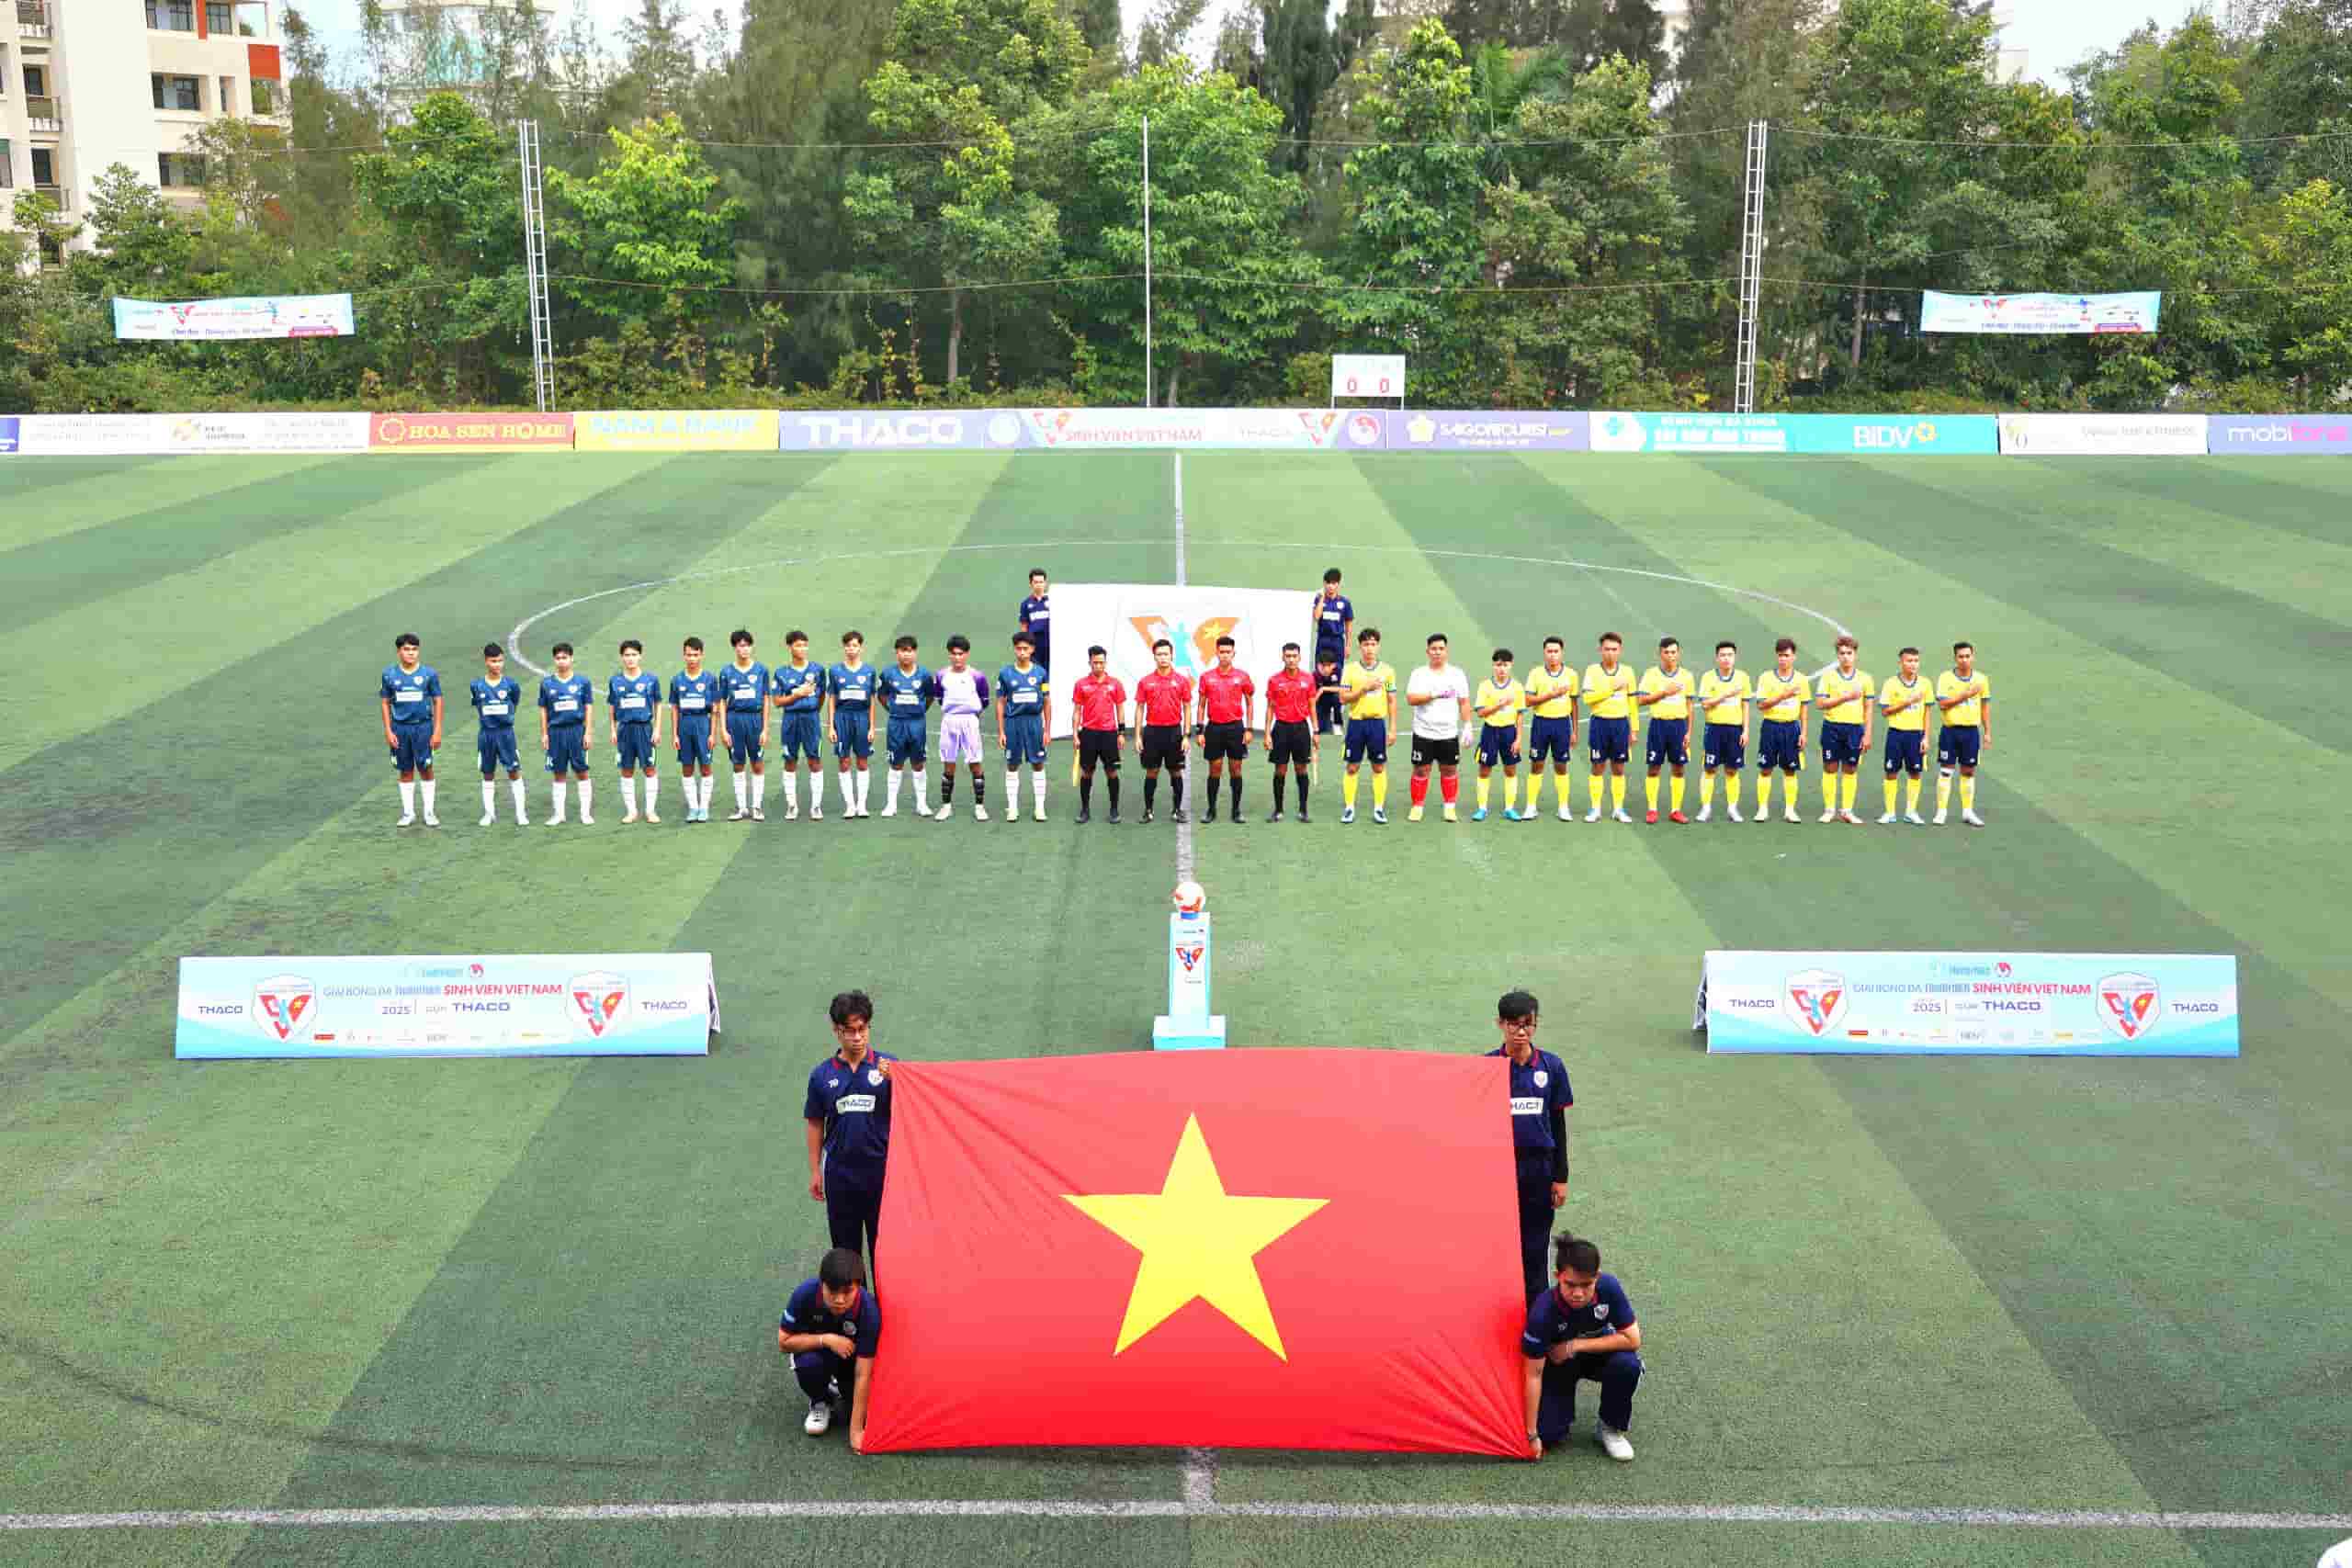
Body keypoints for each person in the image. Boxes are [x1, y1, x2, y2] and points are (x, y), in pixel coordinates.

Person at [1521, 1235, 1643, 1463]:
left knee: (1627, 1364)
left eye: (1586, 1285)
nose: (1578, 1293)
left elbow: (1633, 1339)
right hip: (1559, 1366)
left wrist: (1573, 1345)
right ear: (1558, 1278)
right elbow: (1532, 1374)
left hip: (1593, 1355)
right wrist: (1531, 1435)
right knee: (1549, 1434)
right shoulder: (1542, 1313)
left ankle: (1610, 1428)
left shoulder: (1609, 1287)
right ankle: (1554, 1420)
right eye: (1570, 1285)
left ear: (1596, 1277)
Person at [804, 989, 896, 1275]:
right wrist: (815, 1170)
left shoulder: (889, 1067)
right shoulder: (822, 1075)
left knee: (884, 1251)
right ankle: (854, 1313)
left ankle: (884, 1311)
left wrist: (898, 1080)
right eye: (849, 1031)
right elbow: (815, 1122)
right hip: (840, 1176)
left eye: (862, 1029)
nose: (857, 1037)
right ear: (836, 1030)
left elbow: (912, 1108)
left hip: (881, 1173)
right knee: (846, 1254)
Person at [1487, 989, 1570, 1306]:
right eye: (1513, 1025)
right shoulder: (1486, 1069)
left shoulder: (1551, 1066)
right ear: (1500, 1024)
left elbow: (1559, 1126)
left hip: (1538, 1170)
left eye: (1527, 1024)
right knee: (1498, 1246)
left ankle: (1537, 1316)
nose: (1521, 1032)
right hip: (1497, 1173)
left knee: (1535, 1246)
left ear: (1536, 1024)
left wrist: (1560, 1177)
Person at [778, 1247, 880, 1451]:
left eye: (847, 1292)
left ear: (858, 1287)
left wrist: (856, 1432)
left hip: (851, 1361)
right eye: (832, 1291)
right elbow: (784, 1342)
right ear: (821, 1284)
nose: (839, 1300)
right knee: (808, 1363)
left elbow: (863, 1373)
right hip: (818, 1354)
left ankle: (839, 1387)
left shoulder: (869, 1310)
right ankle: (820, 1401)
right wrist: (826, 1339)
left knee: (862, 1406)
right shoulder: (805, 1294)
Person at [1405, 633, 1473, 823]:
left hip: (1448, 733)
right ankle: (1417, 806)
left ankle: (1449, 807)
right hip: (1423, 732)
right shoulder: (1419, 674)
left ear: (1446, 651)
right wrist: (1433, 694)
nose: (1437, 652)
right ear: (1428, 651)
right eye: (1434, 649)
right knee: (1420, 770)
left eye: (1441, 649)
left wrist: (1467, 725)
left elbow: (1464, 702)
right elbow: (1411, 699)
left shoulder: (1457, 674)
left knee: (1449, 770)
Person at [379, 632, 443, 828]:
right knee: (405, 770)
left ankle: (429, 812)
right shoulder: (389, 675)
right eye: (406, 649)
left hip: (423, 728)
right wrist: (388, 731)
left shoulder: (428, 674)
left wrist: (437, 729)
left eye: (414, 649)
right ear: (399, 651)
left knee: (426, 768)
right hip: (400, 729)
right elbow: (385, 702)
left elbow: (438, 700)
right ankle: (408, 813)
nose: (411, 653)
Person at [1338, 628, 1396, 826]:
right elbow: (1343, 698)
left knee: (1378, 766)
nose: (1370, 648)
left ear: (1378, 646)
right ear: (1359, 647)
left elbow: (1391, 700)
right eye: (1366, 644)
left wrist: (1393, 728)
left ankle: (1379, 808)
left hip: (1377, 724)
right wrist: (1363, 689)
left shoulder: (1387, 671)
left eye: (1373, 644)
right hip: (1356, 723)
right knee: (1352, 766)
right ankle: (1349, 807)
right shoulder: (1350, 670)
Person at [1194, 635, 1255, 825]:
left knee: (1236, 769)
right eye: (1222, 652)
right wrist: (1200, 730)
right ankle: (1211, 810)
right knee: (1215, 769)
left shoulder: (1242, 676)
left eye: (1228, 652)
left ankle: (1236, 811)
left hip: (1236, 728)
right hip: (1214, 728)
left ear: (1233, 653)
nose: (1225, 655)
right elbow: (1201, 705)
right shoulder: (1207, 677)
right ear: (1216, 653)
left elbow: (1250, 702)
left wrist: (1249, 728)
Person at [1814, 635, 1873, 826]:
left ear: (1855, 655)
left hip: (1855, 729)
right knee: (1830, 767)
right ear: (1837, 656)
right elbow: (1820, 703)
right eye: (1842, 653)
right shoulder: (1828, 677)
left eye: (1849, 653)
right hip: (1832, 728)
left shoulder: (1865, 679)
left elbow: (1869, 708)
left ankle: (1847, 810)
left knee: (1851, 769)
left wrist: (1868, 733)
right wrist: (1845, 698)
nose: (1846, 657)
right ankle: (1829, 810)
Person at [770, 630, 830, 822]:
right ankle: (792, 806)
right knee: (790, 761)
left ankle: (816, 807)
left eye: (805, 644)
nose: (802, 649)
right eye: (798, 645)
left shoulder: (818, 670)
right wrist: (797, 695)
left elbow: (821, 697)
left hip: (811, 719)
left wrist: (813, 709)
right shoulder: (781, 673)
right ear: (789, 647)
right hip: (790, 720)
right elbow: (777, 701)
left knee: (815, 760)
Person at [1635, 637, 1695, 826]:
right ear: (1660, 653)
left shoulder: (1687, 676)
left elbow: (1690, 705)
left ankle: (1675, 810)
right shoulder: (1651, 674)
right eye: (1667, 652)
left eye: (1674, 652)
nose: (1670, 656)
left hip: (1679, 727)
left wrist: (1689, 732)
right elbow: (1641, 701)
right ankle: (1652, 809)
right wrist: (1664, 693)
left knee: (1679, 767)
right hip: (1658, 726)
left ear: (1679, 653)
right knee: (1654, 767)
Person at [878, 636, 938, 819]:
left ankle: (922, 804)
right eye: (903, 651)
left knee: (918, 763)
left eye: (910, 651)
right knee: (895, 764)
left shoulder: (925, 675)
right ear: (897, 653)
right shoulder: (888, 674)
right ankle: (891, 804)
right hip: (896, 723)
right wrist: (892, 709)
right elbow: (882, 696)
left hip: (917, 723)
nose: (906, 654)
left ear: (915, 652)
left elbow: (929, 698)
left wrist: (918, 711)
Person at [1751, 637, 1809, 825]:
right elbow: (1761, 705)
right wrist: (1783, 696)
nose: (1784, 659)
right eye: (1780, 656)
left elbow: (1804, 708)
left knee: (1790, 770)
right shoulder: (1766, 678)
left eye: (1787, 655)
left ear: (1794, 657)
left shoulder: (1801, 680)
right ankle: (1762, 809)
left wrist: (1804, 733)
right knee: (1765, 769)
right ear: (1776, 656)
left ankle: (1790, 810)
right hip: (1770, 727)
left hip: (1792, 728)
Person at [1933, 640, 1991, 828]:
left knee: (1968, 771)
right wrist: (1966, 695)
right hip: (1950, 731)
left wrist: (1987, 732)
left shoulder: (1981, 679)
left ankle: (1968, 811)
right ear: (1955, 658)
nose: (1964, 660)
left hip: (1971, 732)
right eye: (1961, 657)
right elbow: (1942, 704)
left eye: (1967, 656)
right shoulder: (1945, 678)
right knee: (1946, 771)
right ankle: (1941, 811)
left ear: (1973, 657)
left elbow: (1985, 707)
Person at [1135, 638, 1193, 825]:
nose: (1163, 658)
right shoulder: (1145, 681)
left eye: (1166, 654)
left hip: (1174, 733)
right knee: (1152, 772)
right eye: (1159, 654)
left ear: (1172, 655)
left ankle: (1177, 810)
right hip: (1152, 732)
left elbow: (1187, 708)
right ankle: (1148, 810)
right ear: (1154, 657)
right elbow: (1139, 708)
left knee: (1176, 772)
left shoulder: (1182, 681)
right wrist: (1137, 736)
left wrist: (1186, 735)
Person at [607, 639, 665, 826]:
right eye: (627, 655)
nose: (630, 659)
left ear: (640, 656)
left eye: (633, 655)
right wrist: (613, 729)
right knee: (626, 769)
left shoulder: (650, 680)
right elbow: (612, 706)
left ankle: (650, 811)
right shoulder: (615, 681)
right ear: (621, 657)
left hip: (645, 728)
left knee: (649, 769)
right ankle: (631, 811)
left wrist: (656, 729)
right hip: (625, 729)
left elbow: (658, 704)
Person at [934, 635, 991, 820]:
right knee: (948, 764)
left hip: (970, 721)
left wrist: (972, 715)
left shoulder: (977, 676)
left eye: (961, 654)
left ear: (967, 654)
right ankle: (946, 806)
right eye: (954, 654)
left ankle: (980, 806)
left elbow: (984, 700)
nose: (957, 658)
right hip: (949, 720)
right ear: (949, 655)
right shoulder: (942, 675)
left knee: (975, 763)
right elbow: (940, 698)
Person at [537, 641, 594, 826]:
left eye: (565, 657)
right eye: (558, 658)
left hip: (577, 731)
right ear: (554, 660)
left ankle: (585, 814)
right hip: (556, 732)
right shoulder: (547, 684)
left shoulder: (582, 682)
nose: (561, 661)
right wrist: (544, 733)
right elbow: (543, 710)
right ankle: (559, 814)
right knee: (558, 773)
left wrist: (588, 732)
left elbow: (588, 707)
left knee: (582, 771)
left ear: (571, 658)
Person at [1523, 636, 1579, 823]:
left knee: (1561, 765)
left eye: (1556, 651)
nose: (1553, 655)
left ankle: (1563, 807)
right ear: (1544, 653)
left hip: (1562, 724)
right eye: (1549, 651)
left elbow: (1574, 703)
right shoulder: (1536, 674)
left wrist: (1574, 731)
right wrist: (1551, 695)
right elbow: (1528, 701)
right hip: (1541, 723)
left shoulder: (1571, 674)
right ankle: (1531, 806)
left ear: (1562, 653)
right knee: (1536, 764)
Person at [469, 642, 526, 827]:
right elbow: (478, 706)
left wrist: (505, 718)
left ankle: (521, 814)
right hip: (486, 734)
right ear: (486, 661)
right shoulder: (477, 686)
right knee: (487, 773)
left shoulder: (511, 685)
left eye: (500, 661)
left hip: (506, 734)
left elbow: (514, 703)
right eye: (494, 661)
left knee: (514, 771)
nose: (497, 665)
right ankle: (489, 814)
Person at [997, 632, 1052, 822]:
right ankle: (1012, 808)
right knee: (1012, 764)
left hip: (1034, 723)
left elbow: (1046, 701)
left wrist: (1047, 730)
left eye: (1025, 649)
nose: (1022, 652)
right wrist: (1002, 731)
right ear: (1014, 649)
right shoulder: (1005, 673)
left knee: (1038, 763)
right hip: (1013, 723)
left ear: (1032, 650)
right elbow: (1001, 703)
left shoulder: (1040, 673)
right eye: (1019, 649)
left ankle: (1040, 808)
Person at [1581, 633, 1635, 824]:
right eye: (1607, 649)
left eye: (1614, 649)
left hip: (1621, 724)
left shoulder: (1628, 671)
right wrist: (1611, 689)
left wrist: (1634, 729)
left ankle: (1618, 809)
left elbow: (1632, 701)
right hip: (1599, 724)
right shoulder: (1592, 671)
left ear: (1620, 650)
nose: (1610, 653)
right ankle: (1595, 808)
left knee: (1619, 768)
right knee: (1597, 766)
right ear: (1600, 650)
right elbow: (1587, 699)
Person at [1696, 640, 1751, 824]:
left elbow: (1745, 705)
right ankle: (1706, 808)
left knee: (1732, 770)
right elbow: (1704, 704)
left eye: (1730, 655)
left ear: (1735, 657)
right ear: (1717, 657)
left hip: (1735, 729)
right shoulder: (1708, 677)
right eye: (1723, 655)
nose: (1726, 659)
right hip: (1714, 728)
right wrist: (1726, 695)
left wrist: (1746, 730)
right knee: (1709, 768)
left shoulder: (1743, 677)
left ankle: (1732, 808)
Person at [1070, 645, 1126, 825]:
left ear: (1105, 662)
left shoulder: (1115, 684)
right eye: (1095, 663)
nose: (1098, 666)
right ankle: (1085, 809)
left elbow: (1120, 708)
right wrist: (1075, 734)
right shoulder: (1081, 684)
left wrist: (1121, 733)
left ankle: (1114, 809)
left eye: (1101, 662)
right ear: (1090, 662)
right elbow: (1077, 710)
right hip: (1088, 734)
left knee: (1112, 772)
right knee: (1087, 772)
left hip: (1109, 734)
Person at [1263, 642, 1318, 822]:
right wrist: (1266, 733)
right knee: (1280, 769)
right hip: (1281, 729)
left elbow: (1312, 707)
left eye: (1294, 656)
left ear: (1300, 658)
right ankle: (1278, 810)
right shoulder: (1274, 680)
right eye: (1288, 656)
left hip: (1301, 728)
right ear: (1283, 657)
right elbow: (1270, 708)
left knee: (1301, 768)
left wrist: (1316, 731)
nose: (1291, 659)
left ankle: (1303, 810)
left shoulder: (1308, 679)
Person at [827, 632, 879, 818]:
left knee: (862, 761)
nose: (851, 649)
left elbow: (872, 701)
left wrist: (872, 727)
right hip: (842, 718)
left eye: (855, 646)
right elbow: (831, 699)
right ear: (844, 648)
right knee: (844, 761)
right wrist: (831, 726)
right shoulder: (835, 671)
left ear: (861, 648)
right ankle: (850, 805)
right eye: (848, 646)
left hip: (862, 718)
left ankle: (862, 805)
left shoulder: (869, 672)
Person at [720, 629, 771, 822]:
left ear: (752, 646)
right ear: (735, 647)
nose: (744, 649)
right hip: (734, 720)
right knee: (738, 764)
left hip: (755, 720)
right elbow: (722, 701)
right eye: (740, 645)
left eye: (747, 645)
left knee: (757, 764)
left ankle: (756, 807)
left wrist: (765, 728)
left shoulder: (761, 670)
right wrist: (723, 729)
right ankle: (741, 808)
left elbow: (766, 699)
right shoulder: (726, 672)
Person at [670, 637, 721, 823]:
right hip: (685, 725)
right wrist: (675, 733)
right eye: (688, 654)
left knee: (706, 767)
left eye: (695, 655)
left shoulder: (710, 679)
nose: (692, 658)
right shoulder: (677, 680)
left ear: (702, 655)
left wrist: (712, 733)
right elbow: (674, 707)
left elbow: (716, 708)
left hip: (703, 724)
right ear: (683, 655)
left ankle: (704, 808)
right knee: (687, 767)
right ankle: (693, 808)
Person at [1878, 646, 1931, 826]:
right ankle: (1890, 812)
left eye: (1916, 661)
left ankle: (1911, 812)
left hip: (1916, 735)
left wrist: (1926, 737)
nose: (1913, 664)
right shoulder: (1890, 684)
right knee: (1891, 771)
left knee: (1915, 772)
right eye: (1909, 661)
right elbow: (1885, 711)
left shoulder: (1925, 684)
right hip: (1896, 733)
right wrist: (1907, 702)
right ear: (1901, 662)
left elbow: (1927, 712)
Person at [1473, 649, 1528, 822]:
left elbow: (1520, 715)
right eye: (1498, 665)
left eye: (1505, 665)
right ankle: (1482, 808)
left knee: (1511, 769)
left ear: (1511, 666)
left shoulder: (1517, 687)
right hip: (1490, 731)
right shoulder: (1485, 686)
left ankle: (1509, 808)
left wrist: (1519, 738)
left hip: (1509, 732)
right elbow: (1481, 713)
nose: (1501, 669)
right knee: (1484, 769)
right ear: (1493, 666)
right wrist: (1500, 705)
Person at [1310, 568, 1354, 682]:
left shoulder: (1345, 602)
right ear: (1324, 584)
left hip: (1337, 640)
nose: (1331, 586)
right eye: (1328, 583)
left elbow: (1349, 625)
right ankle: (1319, 693)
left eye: (1334, 583)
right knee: (1320, 669)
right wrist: (1322, 598)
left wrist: (1348, 645)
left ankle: (1336, 695)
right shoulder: (1319, 600)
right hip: (1323, 639)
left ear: (1338, 584)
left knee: (1337, 669)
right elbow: (1316, 617)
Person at [1018, 569, 1052, 677]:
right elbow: (1024, 627)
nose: (1039, 585)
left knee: (1051, 672)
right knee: (1037, 673)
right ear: (1031, 584)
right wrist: (1024, 646)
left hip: (1050, 643)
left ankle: (1049, 693)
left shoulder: (1053, 600)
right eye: (1036, 582)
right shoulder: (1025, 604)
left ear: (1045, 583)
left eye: (1041, 582)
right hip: (1034, 646)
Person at [1314, 653, 1346, 738]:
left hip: (1335, 697)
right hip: (1322, 701)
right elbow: (1312, 697)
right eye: (1323, 666)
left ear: (1334, 665)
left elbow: (1346, 688)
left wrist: (1323, 689)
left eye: (1329, 665)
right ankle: (1327, 715)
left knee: (1337, 697)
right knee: (1322, 729)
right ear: (1318, 665)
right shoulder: (1314, 675)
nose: (1326, 669)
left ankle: (1337, 724)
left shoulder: (1338, 671)